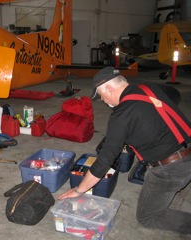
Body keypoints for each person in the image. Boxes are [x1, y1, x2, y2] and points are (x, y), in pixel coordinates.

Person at [58, 67, 191, 234]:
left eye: (101, 96)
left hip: (171, 169)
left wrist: (79, 190)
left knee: (148, 217)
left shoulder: (120, 116)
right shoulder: (149, 88)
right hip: (187, 147)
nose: (104, 101)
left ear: (109, 88)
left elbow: (105, 160)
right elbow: (174, 95)